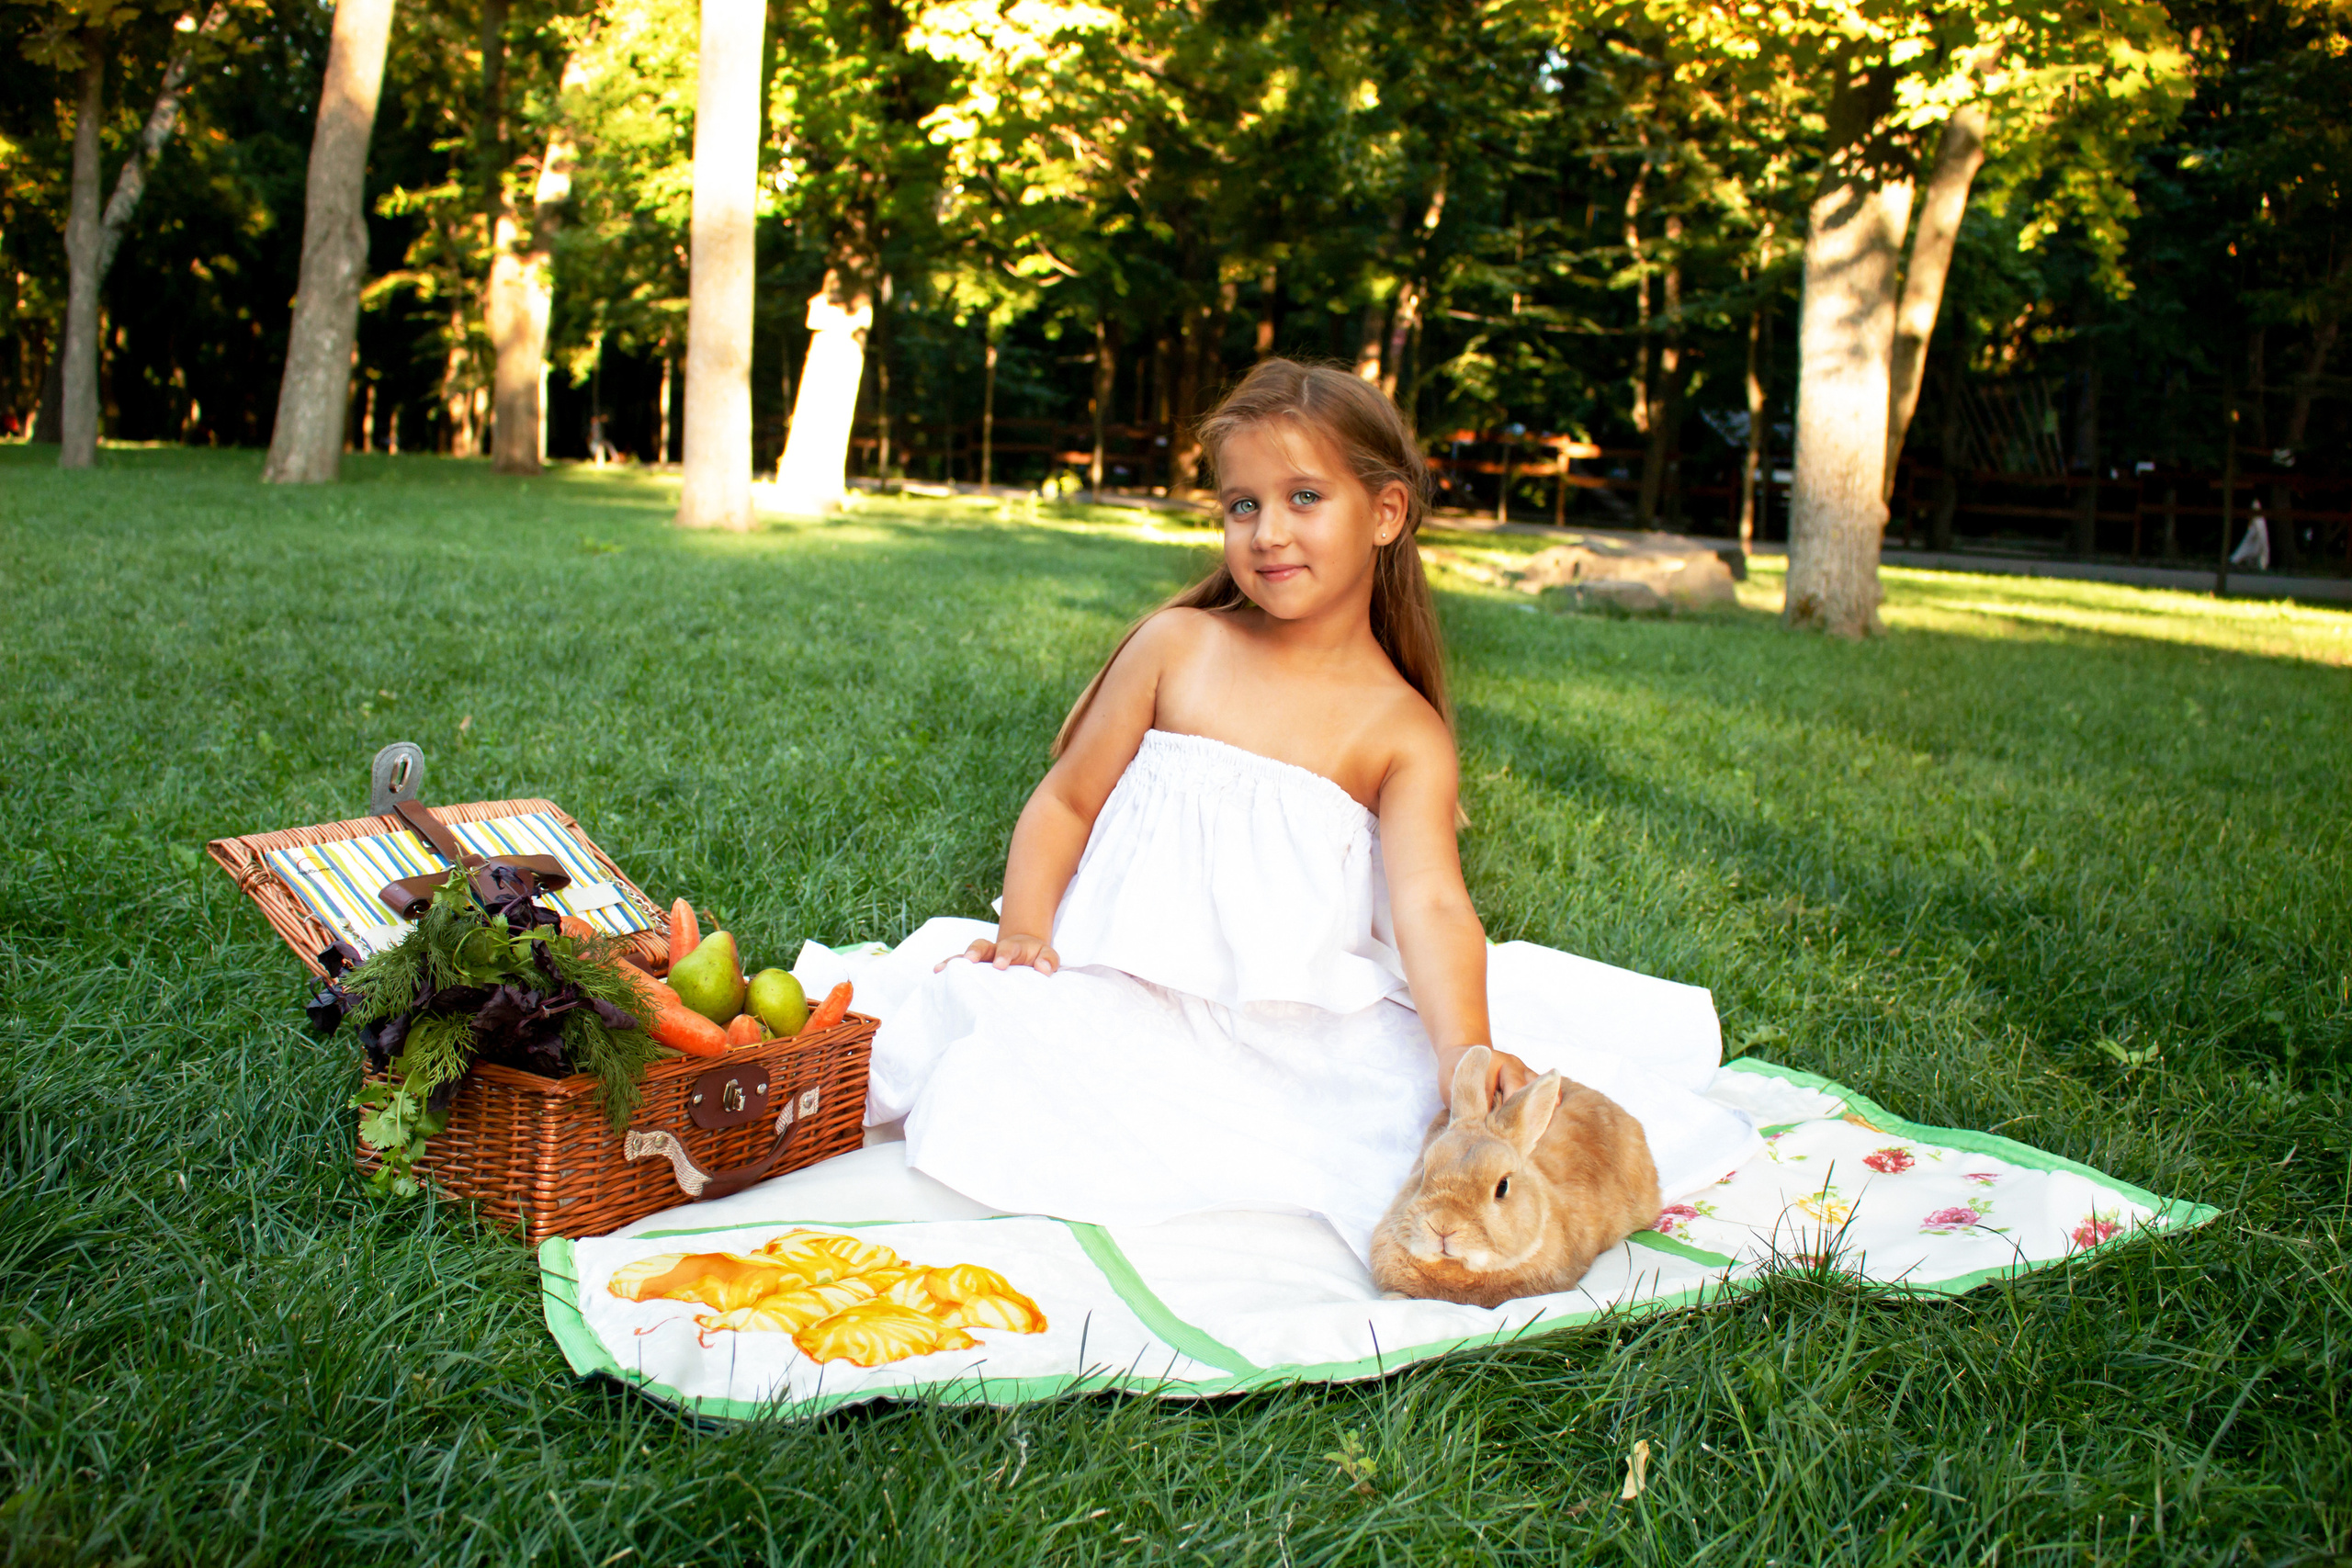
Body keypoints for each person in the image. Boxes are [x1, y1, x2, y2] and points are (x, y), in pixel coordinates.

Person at [852, 358, 1754, 1260]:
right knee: (982, 1023)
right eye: (1242, 505)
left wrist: (1466, 1056)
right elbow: (1065, 800)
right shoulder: (1179, 647)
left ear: (1386, 514)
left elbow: (1432, 905)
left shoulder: (1399, 730)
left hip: (1282, 1026)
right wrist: (1026, 934)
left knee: (1394, 1119)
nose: (1267, 531)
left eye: (1304, 498)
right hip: (1111, 978)